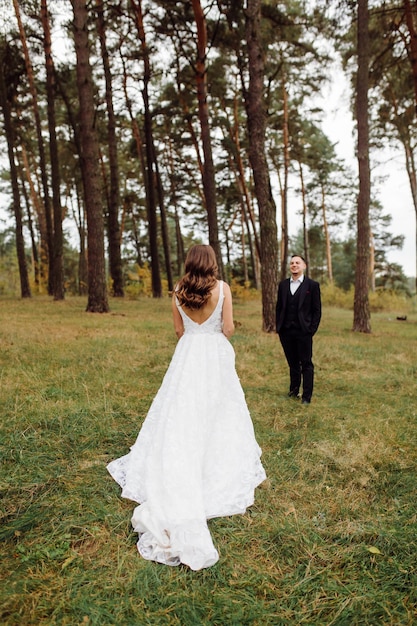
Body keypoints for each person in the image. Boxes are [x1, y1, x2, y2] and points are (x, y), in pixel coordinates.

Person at [107, 244, 266, 571]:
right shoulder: (222, 289)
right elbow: (228, 329)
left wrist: (194, 330)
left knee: (180, 412)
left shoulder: (178, 291)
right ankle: (212, 463)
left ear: (189, 263)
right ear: (211, 263)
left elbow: (179, 332)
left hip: (188, 356)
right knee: (219, 412)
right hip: (214, 356)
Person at [275, 255, 321, 405]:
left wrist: (310, 330)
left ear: (304, 266)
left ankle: (306, 397)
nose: (294, 265)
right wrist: (279, 327)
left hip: (303, 331)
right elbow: (279, 308)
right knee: (292, 363)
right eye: (292, 263)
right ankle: (293, 390)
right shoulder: (283, 285)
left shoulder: (312, 286)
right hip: (286, 331)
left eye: (297, 263)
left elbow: (317, 310)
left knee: (306, 364)